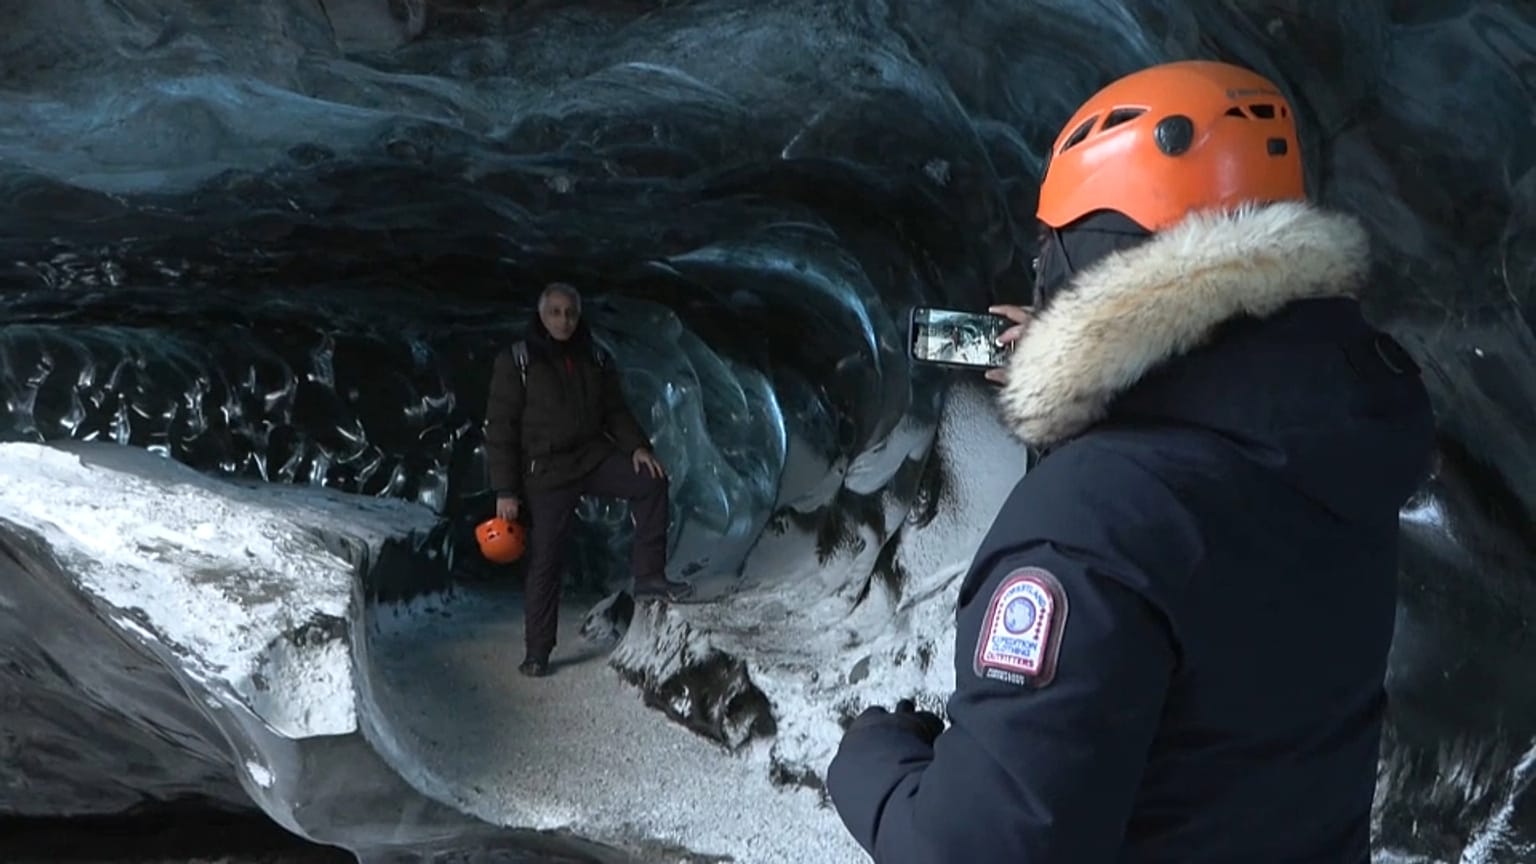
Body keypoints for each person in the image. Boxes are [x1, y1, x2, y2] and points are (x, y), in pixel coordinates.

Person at [826, 59, 1435, 861]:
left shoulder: (1092, 524)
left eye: (1052, 247)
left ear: (1099, 260)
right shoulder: (1332, 444)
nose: (1039, 271)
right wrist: (1092, 383)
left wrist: (871, 762)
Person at [483, 282, 693, 679]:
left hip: (591, 457)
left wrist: (638, 448)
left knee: (650, 482)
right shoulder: (518, 361)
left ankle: (649, 577)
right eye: (555, 312)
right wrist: (506, 490)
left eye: (570, 313)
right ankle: (538, 651)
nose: (563, 320)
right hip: (546, 471)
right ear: (542, 315)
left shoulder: (594, 356)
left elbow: (615, 409)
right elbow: (501, 428)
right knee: (546, 559)